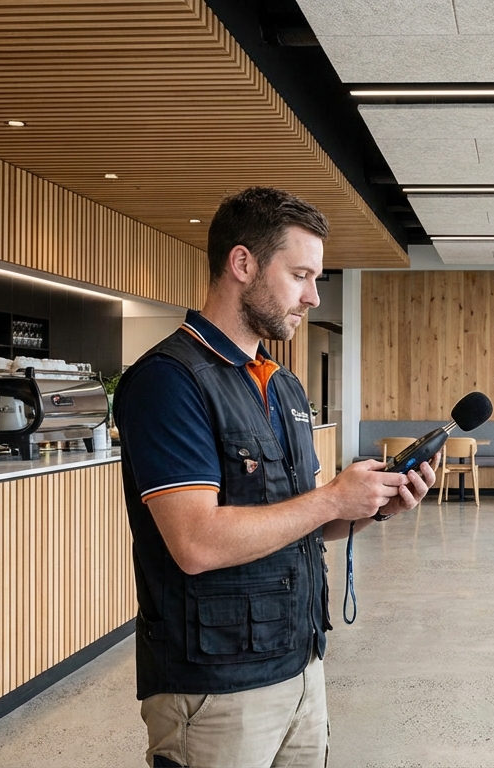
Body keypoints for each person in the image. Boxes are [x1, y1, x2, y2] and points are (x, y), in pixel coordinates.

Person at [113, 187, 437, 768]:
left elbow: (303, 521)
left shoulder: (283, 385)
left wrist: (370, 507)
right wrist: (331, 498)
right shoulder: (169, 381)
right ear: (243, 264)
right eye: (301, 275)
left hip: (301, 663)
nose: (314, 296)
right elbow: (195, 543)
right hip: (215, 686)